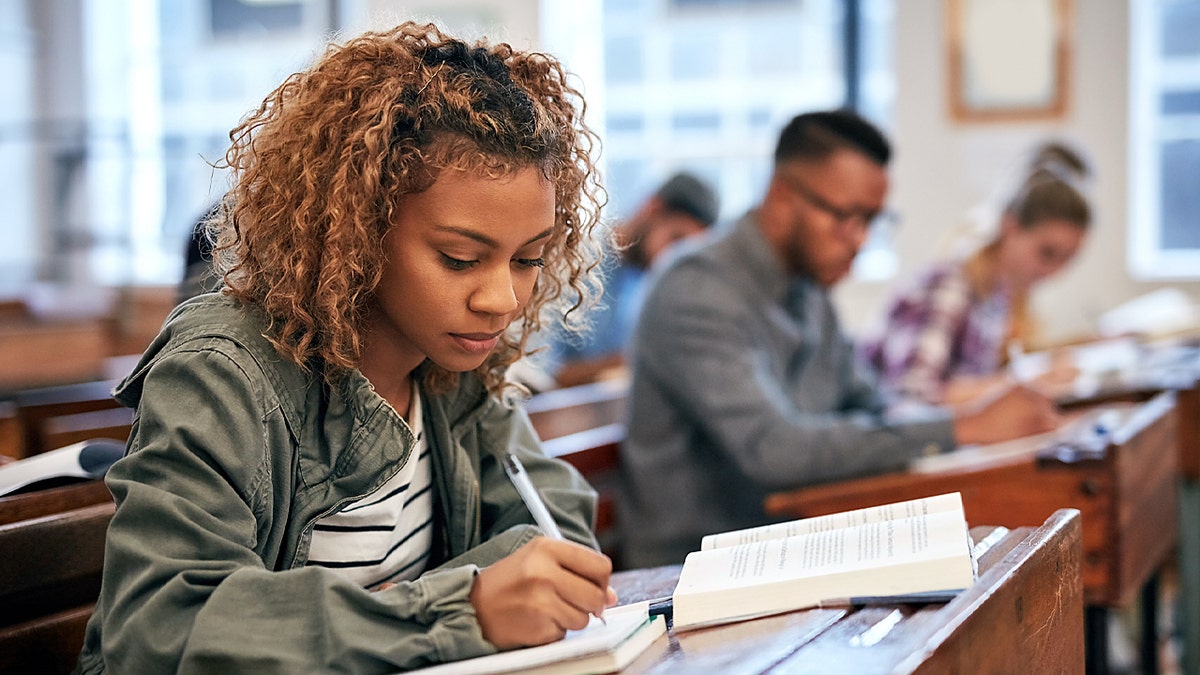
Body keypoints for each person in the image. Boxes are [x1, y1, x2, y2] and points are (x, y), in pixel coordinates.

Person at [76, 22, 615, 673]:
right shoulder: (220, 373)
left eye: (528, 258)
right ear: (358, 227)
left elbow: (555, 527)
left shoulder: (453, 365)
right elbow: (160, 628)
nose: (502, 298)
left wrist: (445, 602)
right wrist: (453, 607)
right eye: (460, 258)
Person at [619, 110, 1062, 568]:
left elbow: (868, 401)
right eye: (846, 216)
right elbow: (777, 452)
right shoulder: (695, 289)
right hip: (693, 570)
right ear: (783, 196)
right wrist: (965, 426)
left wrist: (957, 425)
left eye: (871, 220)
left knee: (990, 557)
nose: (859, 240)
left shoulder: (808, 287)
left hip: (791, 543)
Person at [858, 142, 1092, 407]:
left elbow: (976, 380)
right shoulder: (947, 286)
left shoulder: (997, 295)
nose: (1054, 272)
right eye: (1047, 253)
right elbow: (911, 398)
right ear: (1010, 226)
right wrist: (1024, 383)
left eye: (1067, 259)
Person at [545, 171, 719, 388]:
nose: (673, 259)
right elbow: (539, 375)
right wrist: (631, 361)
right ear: (652, 208)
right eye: (676, 239)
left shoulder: (648, 281)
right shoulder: (571, 261)